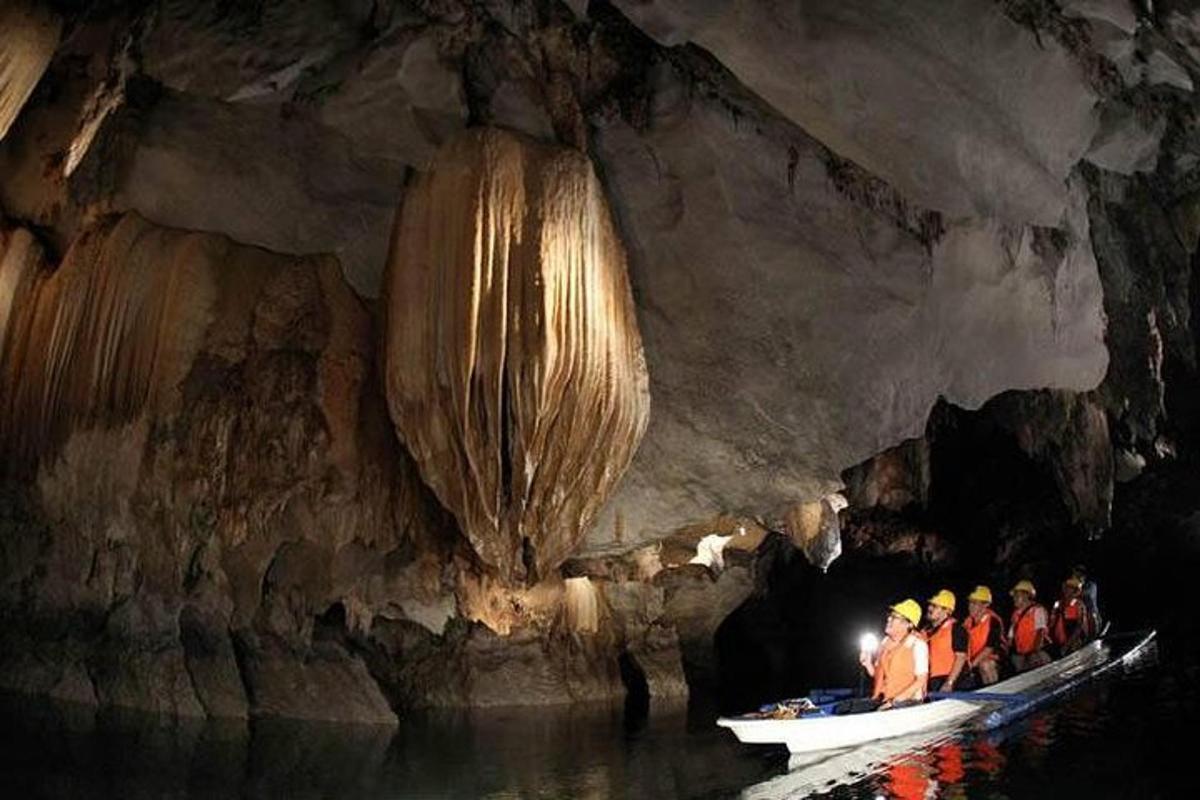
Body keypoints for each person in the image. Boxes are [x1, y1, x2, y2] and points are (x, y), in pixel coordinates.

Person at [859, 599, 929, 709]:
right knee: (845, 708)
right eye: (890, 616)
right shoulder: (885, 642)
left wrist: (894, 701)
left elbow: (921, 680)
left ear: (908, 624)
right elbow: (879, 676)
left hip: (907, 702)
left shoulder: (918, 645)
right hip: (884, 700)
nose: (889, 619)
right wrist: (868, 664)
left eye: (894, 617)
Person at [922, 589, 968, 692]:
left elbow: (961, 657)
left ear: (946, 611)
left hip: (955, 682)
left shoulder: (956, 628)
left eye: (934, 606)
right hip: (933, 681)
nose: (929, 608)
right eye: (930, 605)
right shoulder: (925, 632)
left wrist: (949, 682)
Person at [963, 585, 1005, 686]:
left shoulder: (993, 621)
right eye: (970, 602)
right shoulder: (967, 622)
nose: (970, 606)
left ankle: (996, 695)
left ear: (985, 605)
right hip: (974, 660)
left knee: (985, 664)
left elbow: (990, 648)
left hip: (995, 658)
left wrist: (971, 665)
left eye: (975, 603)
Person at [1008, 580, 1051, 672]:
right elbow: (1010, 637)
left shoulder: (1037, 610)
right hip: (1020, 655)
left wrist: (1034, 653)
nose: (1014, 598)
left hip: (1036, 654)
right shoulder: (1015, 614)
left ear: (1026, 595)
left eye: (1017, 595)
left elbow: (1040, 632)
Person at [1050, 576, 1095, 655]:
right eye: (1067, 587)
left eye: (1070, 588)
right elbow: (1052, 622)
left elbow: (1079, 626)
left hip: (1072, 642)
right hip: (1058, 640)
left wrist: (1067, 645)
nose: (1067, 590)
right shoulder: (1058, 603)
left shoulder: (1078, 605)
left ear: (1075, 591)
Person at [1072, 564, 1102, 633]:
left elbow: (1087, 595)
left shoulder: (1091, 585)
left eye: (1078, 576)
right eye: (1075, 576)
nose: (1076, 578)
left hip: (1092, 613)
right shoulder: (1075, 587)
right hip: (1080, 615)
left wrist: (1079, 587)